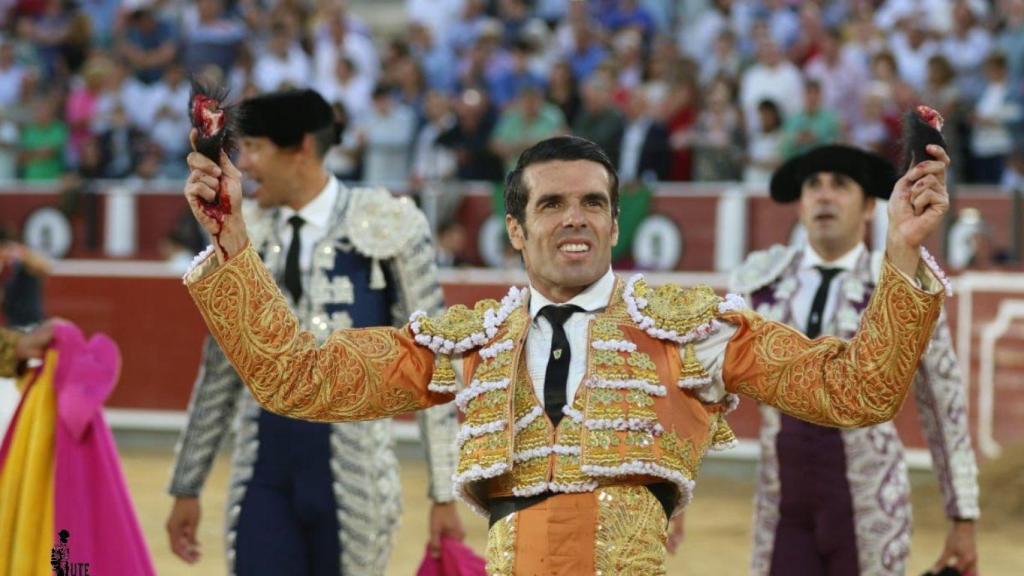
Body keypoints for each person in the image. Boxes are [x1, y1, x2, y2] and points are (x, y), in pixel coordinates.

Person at [181, 134, 951, 572]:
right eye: (551, 203)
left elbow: (857, 390)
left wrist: (904, 258)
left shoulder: (688, 329)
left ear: (616, 225)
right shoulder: (470, 343)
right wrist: (232, 246)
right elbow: (297, 379)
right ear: (516, 230)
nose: (573, 219)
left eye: (593, 203)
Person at [165, 89, 462, 576]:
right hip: (264, 468)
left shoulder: (389, 223)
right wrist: (186, 482)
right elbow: (222, 364)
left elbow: (436, 359)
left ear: (301, 147)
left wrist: (443, 491)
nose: (246, 164)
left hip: (356, 471)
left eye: (255, 148)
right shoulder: (242, 228)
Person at [730, 144, 979, 575]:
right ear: (801, 202)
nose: (824, 196)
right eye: (814, 186)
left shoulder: (902, 286)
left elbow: (944, 404)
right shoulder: (757, 283)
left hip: (870, 506)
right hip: (781, 507)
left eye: (840, 185)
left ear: (868, 206)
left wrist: (963, 516)